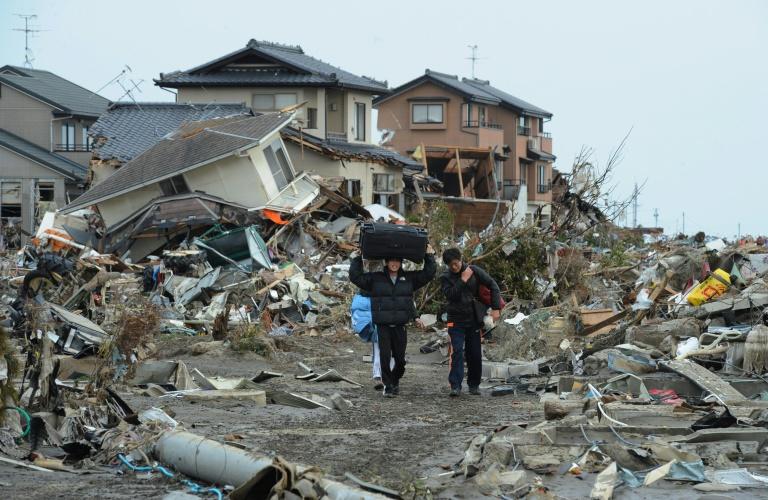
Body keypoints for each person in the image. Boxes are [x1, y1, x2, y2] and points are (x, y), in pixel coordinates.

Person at [350, 245, 437, 397]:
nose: (394, 264)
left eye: (397, 261)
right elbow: (356, 277)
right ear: (387, 262)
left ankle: (395, 379)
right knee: (384, 357)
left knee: (400, 360)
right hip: (382, 325)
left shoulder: (409, 279)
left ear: (401, 262)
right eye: (392, 261)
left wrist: (429, 256)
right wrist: (357, 258)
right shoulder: (376, 279)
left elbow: (428, 274)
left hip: (400, 326)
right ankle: (388, 386)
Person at [440, 248, 501, 397]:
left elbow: (493, 285)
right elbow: (451, 295)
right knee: (458, 352)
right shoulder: (445, 277)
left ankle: (474, 385)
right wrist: (463, 279)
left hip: (473, 319)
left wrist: (496, 308)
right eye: (451, 265)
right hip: (455, 320)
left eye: (456, 263)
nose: (455, 267)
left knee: (474, 353)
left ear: (461, 259)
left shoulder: (474, 270)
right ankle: (455, 385)